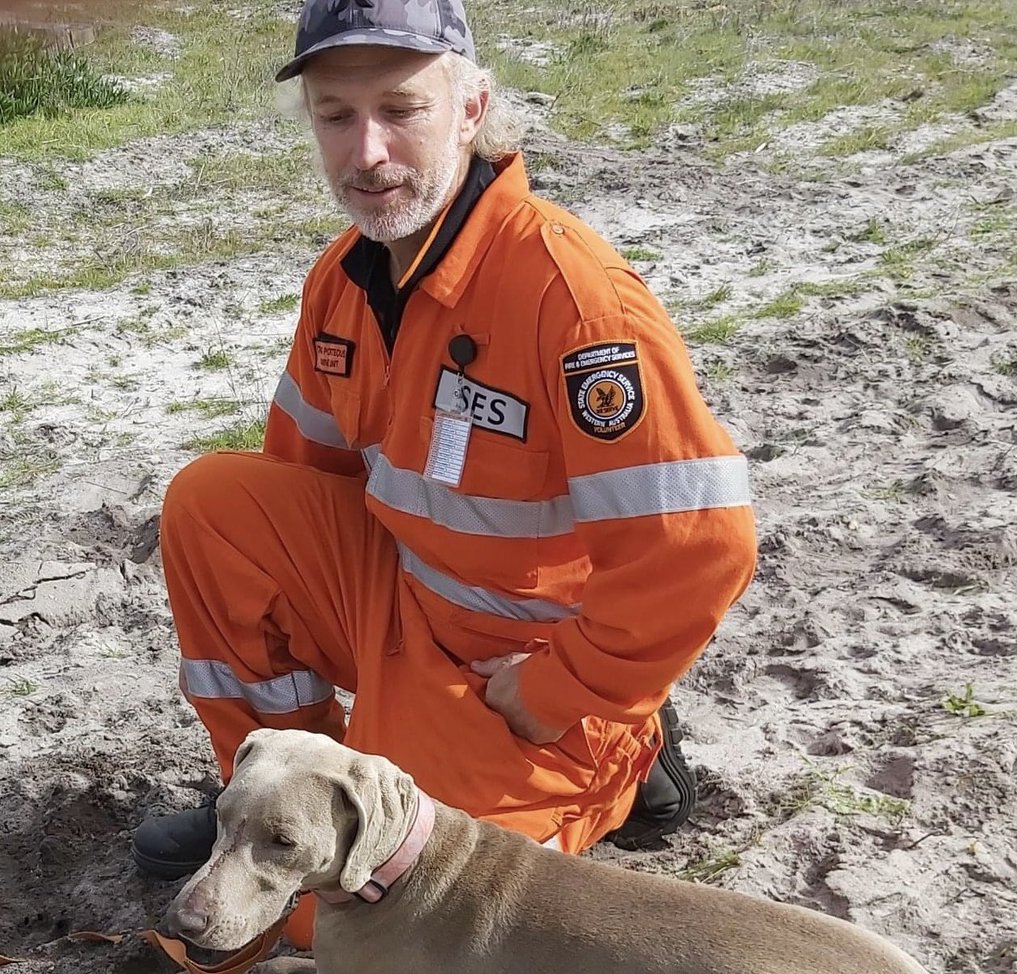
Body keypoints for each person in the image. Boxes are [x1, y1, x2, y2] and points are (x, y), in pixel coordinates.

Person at [131, 0, 757, 901]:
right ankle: (274, 792)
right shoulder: (344, 276)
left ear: (472, 109)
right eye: (337, 116)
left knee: (350, 916)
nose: (367, 152)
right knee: (215, 504)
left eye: (400, 109)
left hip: (516, 675)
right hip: (404, 610)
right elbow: (300, 492)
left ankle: (626, 748)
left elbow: (701, 549)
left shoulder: (575, 301)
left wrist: (554, 691)